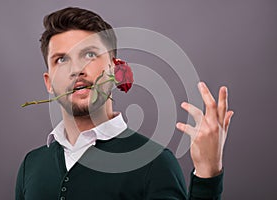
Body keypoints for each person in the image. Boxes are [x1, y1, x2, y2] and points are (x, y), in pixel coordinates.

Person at [15, 7, 234, 200]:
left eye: (90, 54)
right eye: (61, 59)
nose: (76, 69)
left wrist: (208, 174)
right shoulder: (31, 166)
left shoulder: (155, 163)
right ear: (49, 82)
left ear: (116, 69)